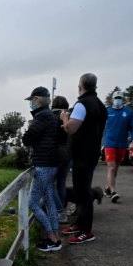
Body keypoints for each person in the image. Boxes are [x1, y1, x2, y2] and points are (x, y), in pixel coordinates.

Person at [60, 73, 108, 244]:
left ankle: (85, 231)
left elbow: (71, 128)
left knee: (84, 193)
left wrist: (65, 117)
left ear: (80, 85)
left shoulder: (81, 105)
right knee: (82, 190)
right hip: (92, 153)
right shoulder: (101, 106)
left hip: (81, 155)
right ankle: (79, 225)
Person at [22, 86, 61, 252]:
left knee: (32, 203)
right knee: (50, 201)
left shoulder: (41, 117)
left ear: (37, 99)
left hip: (43, 165)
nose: (30, 103)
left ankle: (52, 239)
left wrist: (28, 131)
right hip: (52, 164)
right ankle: (56, 237)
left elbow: (27, 139)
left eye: (31, 100)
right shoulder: (51, 116)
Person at [103, 90, 133, 203]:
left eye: (120, 98)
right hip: (110, 143)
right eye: (116, 97)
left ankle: (108, 188)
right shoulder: (107, 112)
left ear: (123, 99)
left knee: (116, 169)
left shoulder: (128, 112)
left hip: (122, 144)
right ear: (112, 99)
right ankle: (113, 192)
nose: (118, 100)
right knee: (111, 167)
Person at [50, 95, 71, 223]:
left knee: (49, 183)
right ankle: (61, 210)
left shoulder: (52, 118)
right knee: (61, 183)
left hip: (56, 153)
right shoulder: (69, 117)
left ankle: (60, 212)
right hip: (68, 152)